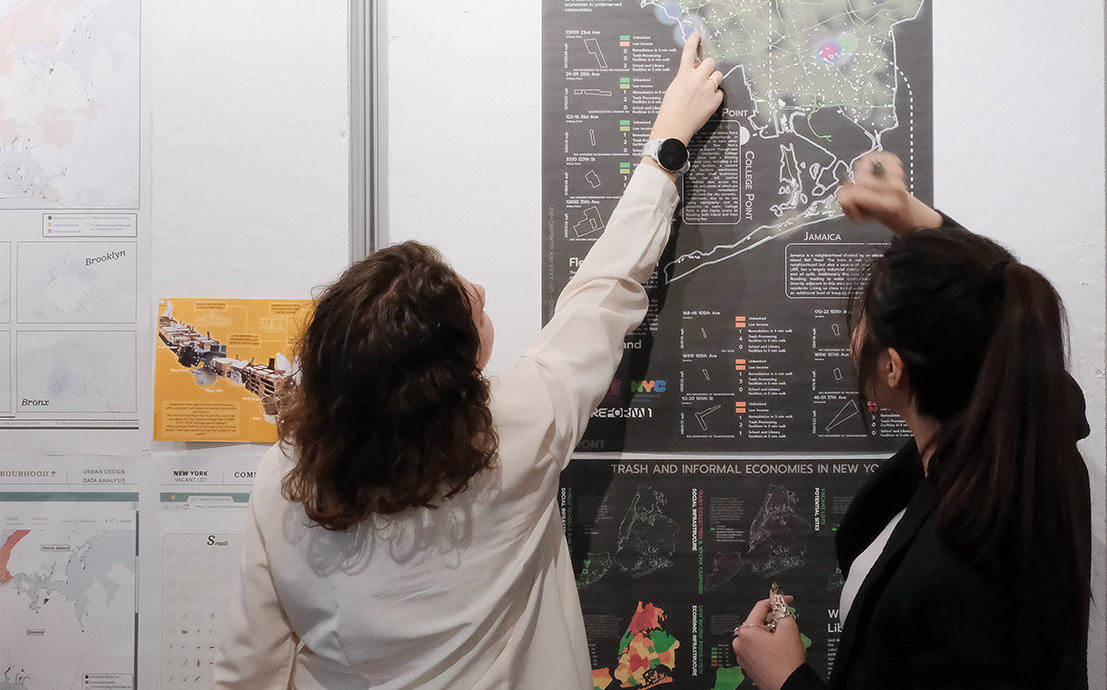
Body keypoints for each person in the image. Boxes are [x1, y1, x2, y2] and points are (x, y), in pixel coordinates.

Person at [212, 33, 725, 690]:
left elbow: (248, 670)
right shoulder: (516, 433)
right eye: (469, 307)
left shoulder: (286, 481)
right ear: (450, 376)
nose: (479, 291)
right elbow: (604, 292)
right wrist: (666, 147)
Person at [732, 152, 1093, 690]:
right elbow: (998, 308)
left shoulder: (959, 562)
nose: (852, 339)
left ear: (892, 367)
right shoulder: (1032, 453)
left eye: (861, 324)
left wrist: (786, 679)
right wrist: (910, 216)